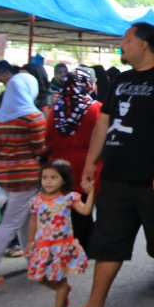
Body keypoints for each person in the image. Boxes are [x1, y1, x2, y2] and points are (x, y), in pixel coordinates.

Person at [59, 23, 154, 307]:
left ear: (145, 44)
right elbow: (104, 123)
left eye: (127, 40)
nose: (121, 45)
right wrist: (91, 164)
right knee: (107, 240)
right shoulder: (121, 79)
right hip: (116, 176)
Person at [0, 73, 47, 288]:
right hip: (26, 177)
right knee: (11, 224)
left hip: (4, 177)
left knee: (22, 221)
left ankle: (32, 261)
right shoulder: (33, 118)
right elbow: (40, 150)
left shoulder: (0, 118)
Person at [27, 159, 94, 307]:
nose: (48, 181)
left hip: (61, 247)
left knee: (60, 280)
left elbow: (85, 211)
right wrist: (30, 241)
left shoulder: (68, 198)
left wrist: (92, 192)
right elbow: (33, 221)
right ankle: (62, 291)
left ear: (63, 180)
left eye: (53, 177)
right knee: (39, 276)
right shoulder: (37, 200)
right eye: (45, 177)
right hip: (43, 246)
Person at [45, 66, 102, 249]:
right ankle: (83, 244)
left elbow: (47, 138)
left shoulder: (56, 109)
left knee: (65, 208)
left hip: (59, 166)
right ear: (87, 85)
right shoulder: (95, 108)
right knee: (83, 207)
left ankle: (67, 243)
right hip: (86, 166)